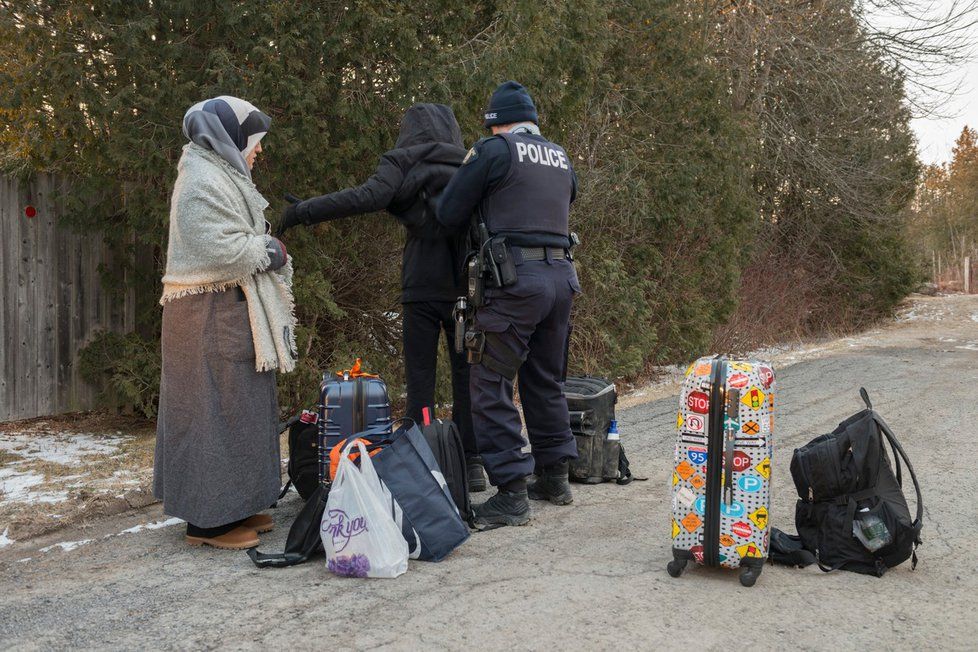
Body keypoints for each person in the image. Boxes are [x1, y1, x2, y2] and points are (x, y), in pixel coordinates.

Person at [276, 103, 487, 490]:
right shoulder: (470, 162)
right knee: (466, 378)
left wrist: (303, 211)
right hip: (464, 288)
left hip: (420, 286)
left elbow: (363, 197)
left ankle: (424, 468)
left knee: (421, 380)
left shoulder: (401, 162)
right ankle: (470, 464)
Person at [154, 95, 298, 550]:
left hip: (226, 312)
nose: (259, 150)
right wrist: (271, 250)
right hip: (204, 317)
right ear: (232, 138)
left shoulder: (219, 172)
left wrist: (266, 248)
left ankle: (234, 505)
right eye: (255, 141)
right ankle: (208, 522)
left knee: (239, 409)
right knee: (210, 413)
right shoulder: (200, 178)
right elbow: (220, 247)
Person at [436, 81, 580, 527]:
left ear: (496, 124)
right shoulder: (560, 157)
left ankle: (512, 491)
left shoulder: (494, 151)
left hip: (516, 282)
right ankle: (554, 475)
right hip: (562, 278)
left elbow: (448, 212)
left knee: (489, 380)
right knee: (544, 377)